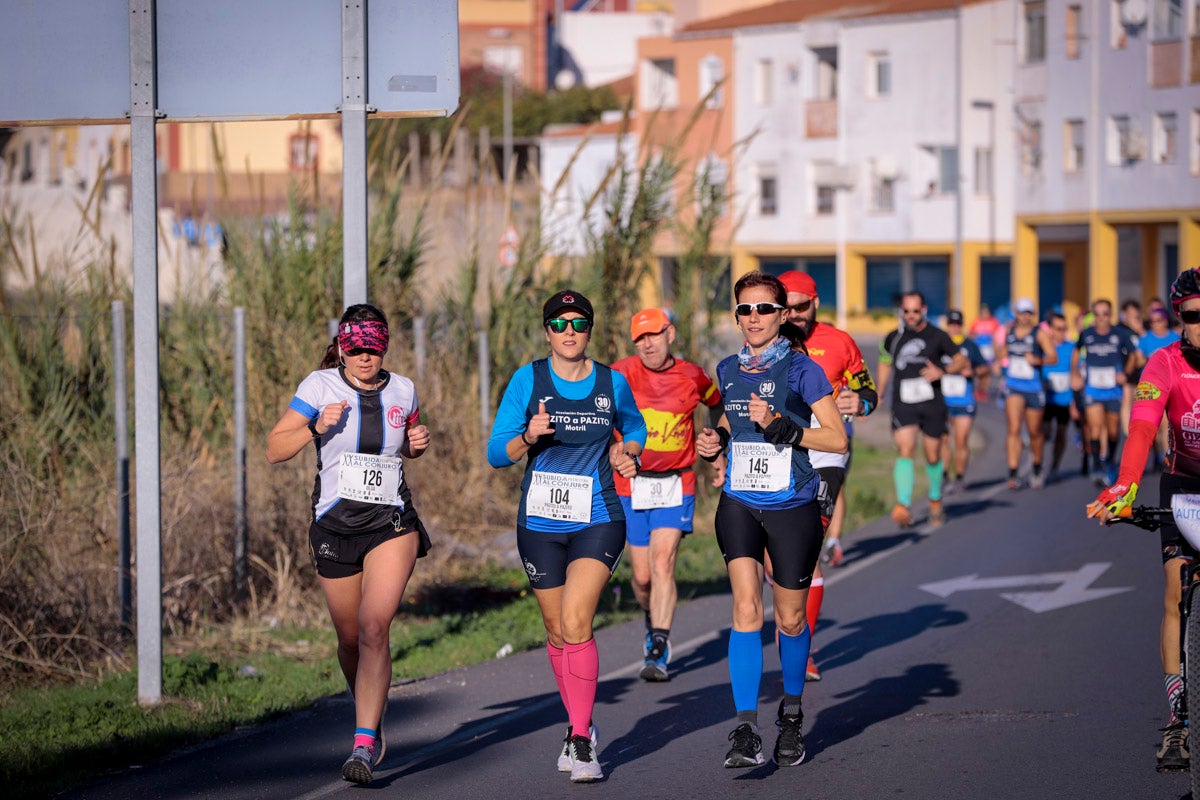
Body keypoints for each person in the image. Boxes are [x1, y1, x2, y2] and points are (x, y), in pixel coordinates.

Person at [266, 303, 432, 785]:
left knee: (374, 626)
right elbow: (274, 448)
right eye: (355, 347)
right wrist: (313, 426)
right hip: (335, 526)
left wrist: (414, 445)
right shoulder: (319, 387)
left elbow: (403, 445)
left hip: (391, 522)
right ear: (342, 346)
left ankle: (363, 742)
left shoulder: (403, 389)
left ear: (384, 347)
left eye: (373, 347)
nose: (364, 356)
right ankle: (369, 707)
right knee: (350, 639)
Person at [486, 290, 647, 783]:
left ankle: (580, 740)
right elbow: (497, 452)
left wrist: (630, 452)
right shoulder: (528, 380)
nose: (570, 330)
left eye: (579, 322)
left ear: (590, 330)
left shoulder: (611, 382)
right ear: (548, 331)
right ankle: (582, 723)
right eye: (560, 323)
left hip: (599, 515)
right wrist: (529, 436)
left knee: (578, 621)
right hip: (539, 523)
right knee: (557, 631)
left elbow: (635, 426)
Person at [695, 271, 847, 769]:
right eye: (745, 310)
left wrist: (784, 428)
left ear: (783, 315)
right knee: (744, 610)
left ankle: (792, 714)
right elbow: (731, 420)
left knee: (790, 618)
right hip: (740, 500)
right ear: (736, 316)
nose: (753, 318)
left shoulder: (804, 371)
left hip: (793, 505)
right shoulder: (727, 368)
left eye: (764, 309)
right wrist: (713, 440)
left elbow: (837, 439)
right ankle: (745, 728)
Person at [1086, 266, 1200, 774]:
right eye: (1195, 317)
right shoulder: (1164, 363)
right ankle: (1179, 718)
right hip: (1185, 486)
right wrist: (1124, 485)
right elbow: (1141, 429)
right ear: (1179, 317)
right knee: (1176, 590)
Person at [611, 307, 723, 682]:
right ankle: (651, 615)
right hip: (631, 485)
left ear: (670, 334)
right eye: (640, 338)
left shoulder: (692, 375)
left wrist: (716, 445)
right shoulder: (619, 374)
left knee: (662, 564)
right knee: (642, 577)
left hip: (676, 483)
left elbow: (717, 403)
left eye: (654, 335)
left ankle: (658, 646)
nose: (647, 344)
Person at [778, 269, 878, 681]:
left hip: (825, 457)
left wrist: (861, 404)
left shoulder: (840, 342)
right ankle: (790, 620)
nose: (795, 314)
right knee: (775, 563)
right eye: (787, 307)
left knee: (808, 551)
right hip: (777, 455)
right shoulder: (766, 342)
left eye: (802, 306)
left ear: (816, 302)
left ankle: (804, 646)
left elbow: (869, 392)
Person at [875, 292, 968, 527]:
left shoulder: (938, 336)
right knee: (905, 449)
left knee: (932, 454)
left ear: (923, 310)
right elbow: (885, 364)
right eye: (906, 312)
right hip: (903, 401)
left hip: (932, 402)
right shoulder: (893, 338)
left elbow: (960, 360)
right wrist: (879, 392)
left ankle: (935, 499)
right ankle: (903, 505)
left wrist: (942, 371)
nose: (911, 316)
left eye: (915, 311)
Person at [1073, 298, 1143, 486]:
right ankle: (1096, 465)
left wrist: (1126, 373)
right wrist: (1075, 373)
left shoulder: (1120, 334)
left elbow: (1135, 356)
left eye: (1105, 314)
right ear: (1093, 316)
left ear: (1110, 315)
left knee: (1113, 431)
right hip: (1093, 389)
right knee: (1095, 428)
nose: (1101, 318)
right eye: (1097, 314)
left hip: (1113, 390)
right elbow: (1075, 352)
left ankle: (1110, 459)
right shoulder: (1086, 334)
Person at [993, 298, 1058, 489]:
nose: (1025, 316)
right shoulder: (1009, 331)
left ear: (1033, 314)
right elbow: (1001, 354)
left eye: (1028, 312)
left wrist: (1037, 360)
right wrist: (998, 355)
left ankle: (1037, 466)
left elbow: (1053, 357)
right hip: (1013, 385)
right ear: (1016, 313)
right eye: (1022, 312)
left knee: (1034, 431)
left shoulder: (1039, 334)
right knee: (1013, 428)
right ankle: (1013, 472)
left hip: (1034, 387)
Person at [940, 309, 989, 494]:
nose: (954, 328)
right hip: (943, 401)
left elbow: (985, 368)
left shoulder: (970, 345)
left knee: (961, 440)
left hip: (964, 399)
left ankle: (960, 477)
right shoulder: (940, 343)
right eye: (951, 324)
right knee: (943, 440)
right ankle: (945, 477)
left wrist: (973, 373)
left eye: (957, 324)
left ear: (961, 325)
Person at [1139, 306, 1179, 470]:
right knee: (1154, 426)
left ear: (1166, 321)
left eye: (1159, 320)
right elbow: (1139, 362)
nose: (1156, 324)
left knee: (1166, 424)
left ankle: (1167, 457)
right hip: (1151, 387)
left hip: (1172, 385)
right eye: (1152, 321)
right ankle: (1157, 454)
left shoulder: (1175, 338)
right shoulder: (1145, 339)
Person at [1040, 311, 1076, 483]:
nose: (1061, 332)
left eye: (1064, 329)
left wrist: (1075, 400)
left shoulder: (1071, 347)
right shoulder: (1043, 347)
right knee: (1044, 433)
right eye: (1058, 329)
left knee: (1061, 434)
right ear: (1050, 329)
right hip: (1046, 399)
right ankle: (1037, 464)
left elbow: (1077, 371)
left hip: (1064, 399)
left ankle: (1054, 467)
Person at [968, 303, 1001, 401]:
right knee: (980, 371)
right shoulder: (976, 322)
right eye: (983, 312)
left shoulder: (994, 322)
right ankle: (978, 390)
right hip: (979, 350)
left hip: (989, 351)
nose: (985, 314)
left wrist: (997, 353)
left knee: (987, 371)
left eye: (987, 312)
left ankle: (984, 391)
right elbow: (970, 335)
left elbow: (997, 338)